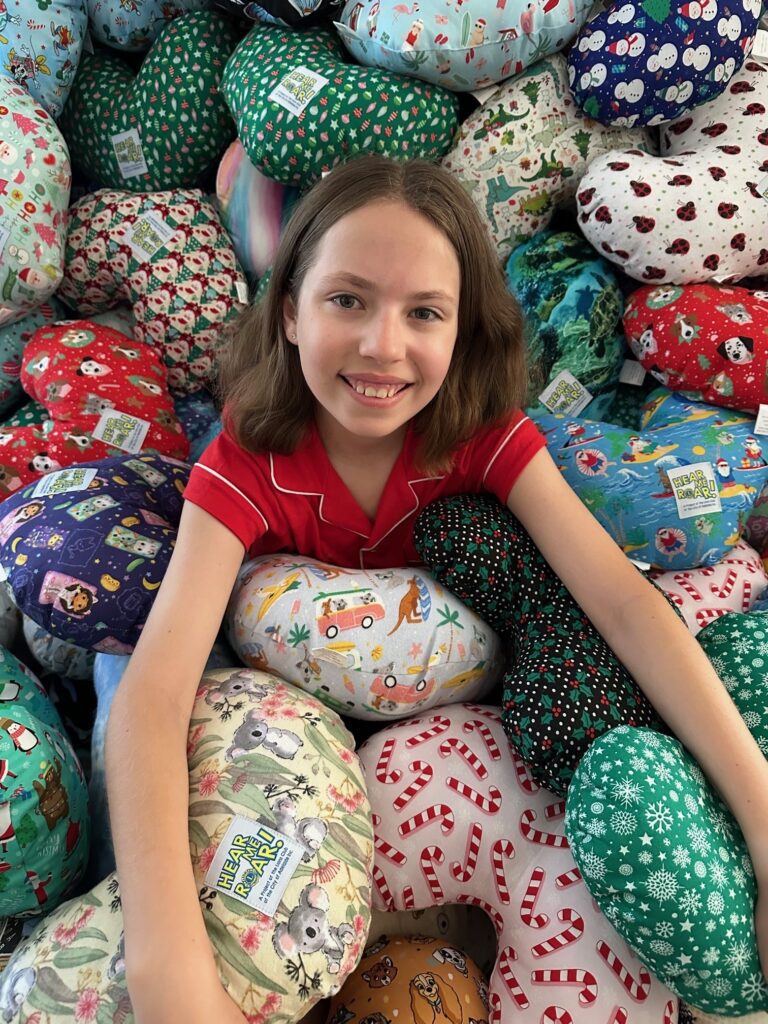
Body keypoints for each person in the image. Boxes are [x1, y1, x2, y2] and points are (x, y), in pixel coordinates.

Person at [105, 155, 768, 1023]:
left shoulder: (484, 437)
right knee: (109, 670)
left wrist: (761, 824)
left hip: (473, 757)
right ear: (291, 313)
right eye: (347, 299)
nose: (383, 345)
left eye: (424, 312)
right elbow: (154, 694)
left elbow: (621, 603)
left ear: (462, 333)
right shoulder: (243, 463)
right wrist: (167, 967)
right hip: (317, 771)